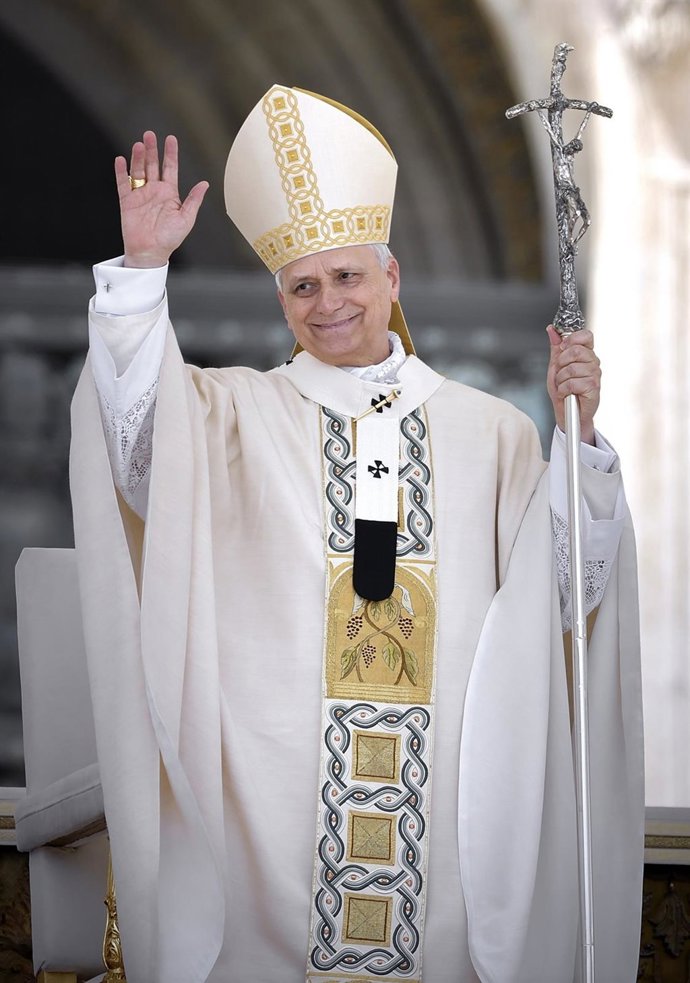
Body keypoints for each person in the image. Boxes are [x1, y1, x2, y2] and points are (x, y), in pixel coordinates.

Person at [69, 85, 643, 983]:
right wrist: (142, 272)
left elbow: (563, 600)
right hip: (273, 826)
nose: (327, 303)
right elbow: (138, 450)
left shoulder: (491, 432)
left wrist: (582, 443)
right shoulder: (231, 414)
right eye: (303, 285)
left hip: (444, 830)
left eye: (347, 277)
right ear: (281, 299)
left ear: (392, 279)